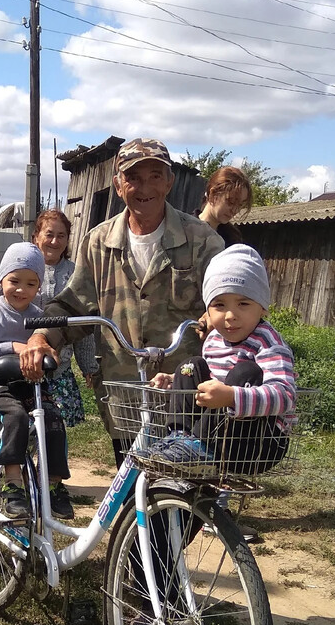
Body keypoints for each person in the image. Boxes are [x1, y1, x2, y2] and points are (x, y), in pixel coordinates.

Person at [20, 137, 227, 467]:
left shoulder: (203, 241)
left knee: (184, 501)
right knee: (135, 501)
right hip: (125, 395)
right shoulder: (98, 242)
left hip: (186, 396)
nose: (144, 187)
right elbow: (73, 305)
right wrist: (41, 337)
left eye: (155, 176)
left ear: (170, 182)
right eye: (133, 177)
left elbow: (230, 306)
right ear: (118, 185)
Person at [141, 245, 297, 475]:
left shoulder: (268, 342)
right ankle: (180, 439)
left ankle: (194, 446)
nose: (230, 315)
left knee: (246, 372)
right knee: (189, 366)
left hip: (259, 442)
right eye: (219, 305)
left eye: (243, 304)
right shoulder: (214, 339)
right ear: (208, 311)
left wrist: (231, 396)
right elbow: (212, 382)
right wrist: (175, 380)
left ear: (262, 307)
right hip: (221, 436)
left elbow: (286, 396)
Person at [0, 242, 73, 521]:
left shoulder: (40, 318)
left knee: (52, 418)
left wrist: (51, 354)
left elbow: (50, 345)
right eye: (14, 280)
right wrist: (12, 346)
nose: (20, 289)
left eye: (30, 283)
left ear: (39, 287)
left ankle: (51, 484)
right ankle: (12, 482)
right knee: (14, 416)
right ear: (2, 278)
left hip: (30, 381)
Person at [0, 209, 100, 429]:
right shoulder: (15, 267)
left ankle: (46, 464)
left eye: (62, 235)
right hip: (14, 364)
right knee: (12, 426)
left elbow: (81, 323)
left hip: (56, 367)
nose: (55, 241)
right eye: (49, 234)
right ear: (36, 236)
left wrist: (88, 366)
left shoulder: (75, 274)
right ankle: (3, 463)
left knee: (52, 431)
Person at [198, 165, 253, 247]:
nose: (235, 210)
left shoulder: (232, 238)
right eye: (230, 202)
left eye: (240, 205)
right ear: (212, 194)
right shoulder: (185, 228)